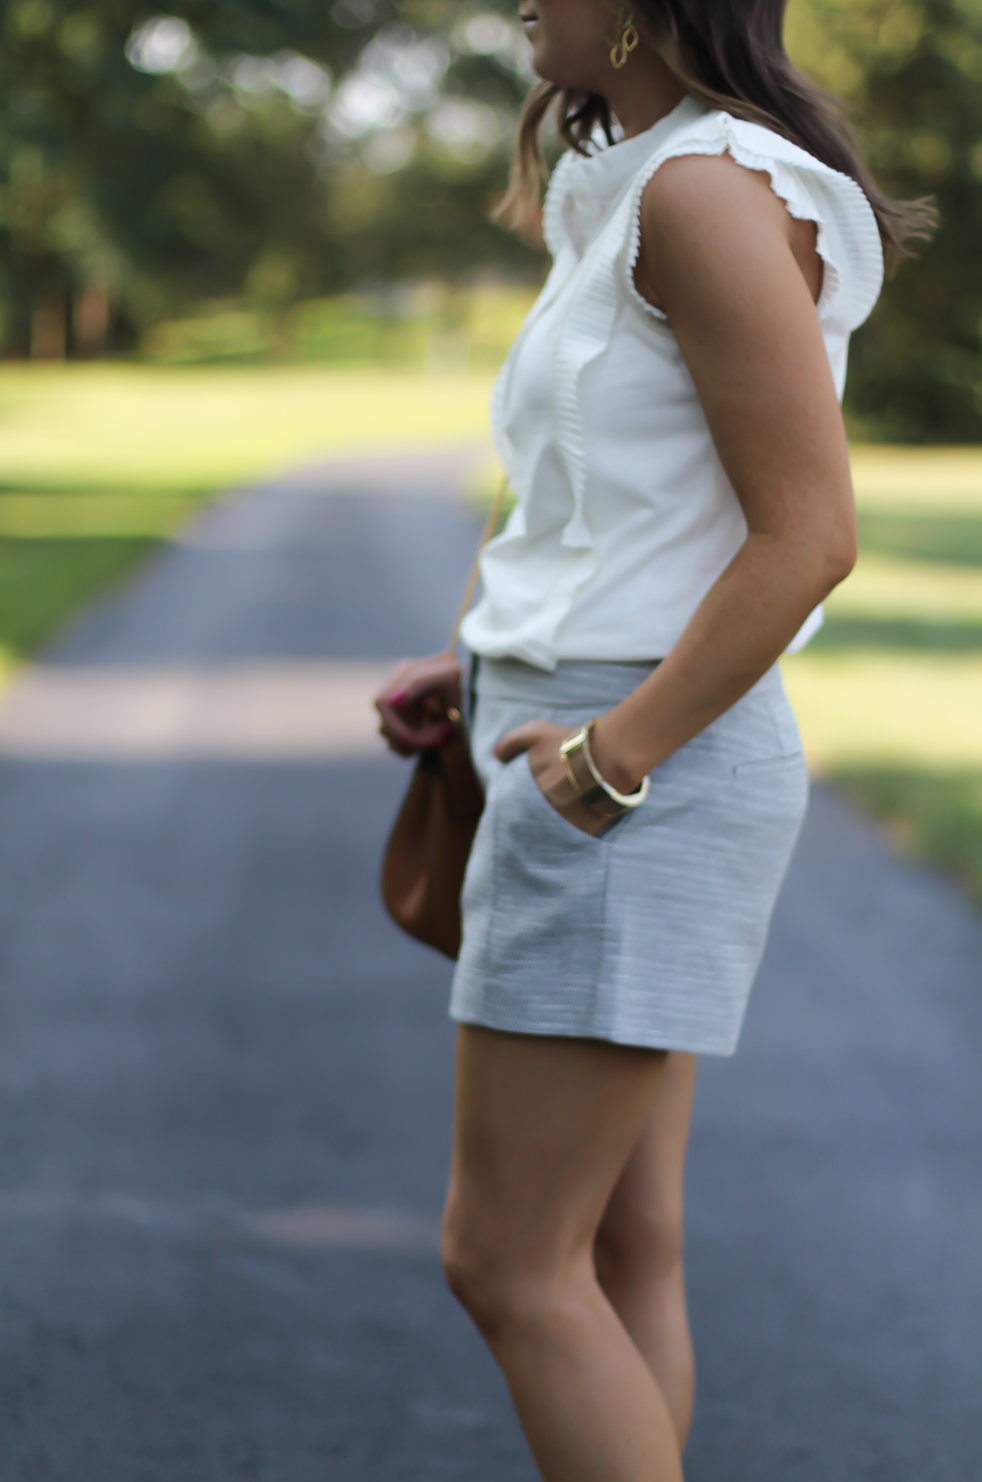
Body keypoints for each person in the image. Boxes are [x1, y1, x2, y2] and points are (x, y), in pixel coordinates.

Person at [375, 1, 929, 1477]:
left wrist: (608, 762)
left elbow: (808, 535)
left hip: (631, 756)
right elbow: (608, 492)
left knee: (508, 1263)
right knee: (623, 1255)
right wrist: (475, 654)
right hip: (589, 722)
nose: (517, 6)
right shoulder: (634, 178)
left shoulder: (704, 189)